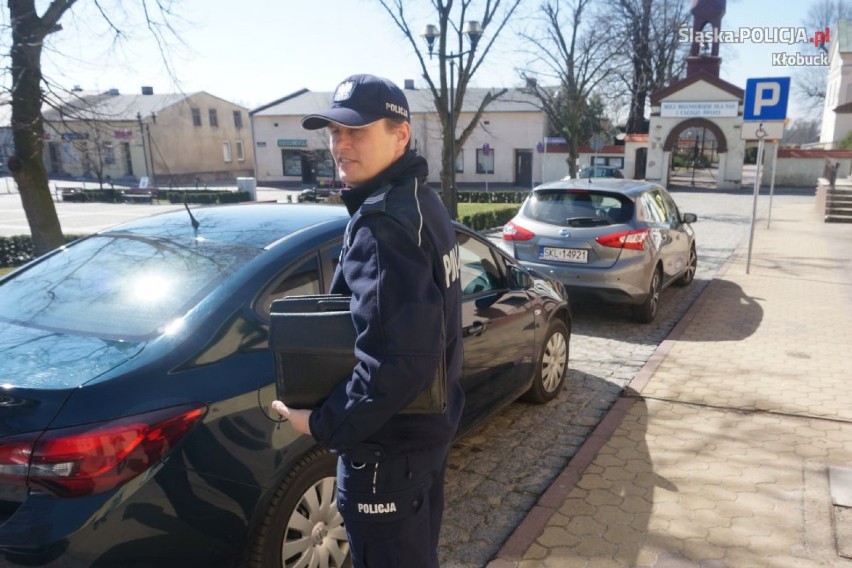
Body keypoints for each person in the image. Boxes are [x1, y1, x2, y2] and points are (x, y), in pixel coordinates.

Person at [271, 74, 464, 568]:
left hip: (385, 455)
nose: (340, 145)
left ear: (400, 135)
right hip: (420, 440)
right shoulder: (423, 202)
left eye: (356, 131)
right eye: (334, 132)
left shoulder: (384, 225)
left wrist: (321, 423)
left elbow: (398, 363)